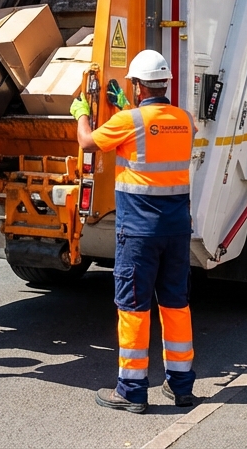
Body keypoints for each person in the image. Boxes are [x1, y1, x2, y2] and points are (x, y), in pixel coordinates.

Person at [71, 50, 196, 413]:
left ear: (139, 86)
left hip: (140, 234)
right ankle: (181, 386)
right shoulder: (185, 121)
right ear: (165, 84)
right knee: (176, 305)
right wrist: (130, 105)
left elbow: (87, 142)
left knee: (134, 308)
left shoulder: (129, 121)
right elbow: (158, 132)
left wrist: (81, 114)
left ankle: (131, 390)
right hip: (176, 232)